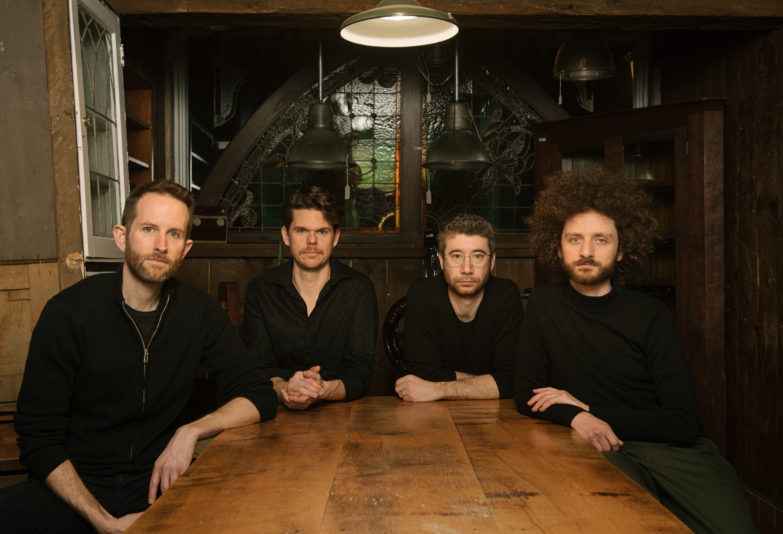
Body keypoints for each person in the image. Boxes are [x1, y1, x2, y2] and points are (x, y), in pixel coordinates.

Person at [0, 181, 278, 533]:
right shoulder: (68, 313)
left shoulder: (199, 312)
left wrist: (190, 432)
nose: (161, 245)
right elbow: (38, 438)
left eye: (174, 234)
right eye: (149, 229)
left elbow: (260, 394)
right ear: (122, 236)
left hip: (155, 484)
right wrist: (105, 523)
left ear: (186, 247)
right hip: (74, 486)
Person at [513, 167, 756, 534]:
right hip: (599, 445)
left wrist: (589, 409)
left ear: (623, 248)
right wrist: (577, 418)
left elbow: (683, 422)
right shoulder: (544, 304)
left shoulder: (650, 315)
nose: (587, 252)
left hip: (672, 450)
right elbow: (525, 393)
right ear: (557, 245)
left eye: (601, 240)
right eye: (574, 239)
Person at [243, 186, 378, 410]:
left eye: (322, 232)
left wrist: (321, 389)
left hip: (342, 415)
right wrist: (287, 389)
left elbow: (360, 373)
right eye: (302, 231)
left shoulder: (359, 289)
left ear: (335, 237)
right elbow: (257, 369)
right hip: (276, 413)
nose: (312, 241)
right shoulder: (261, 290)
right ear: (286, 235)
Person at [395, 213, 521, 402]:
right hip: (432, 418)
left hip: (496, 417)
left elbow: (513, 381)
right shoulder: (423, 294)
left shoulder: (506, 295)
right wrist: (491, 384)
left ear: (492, 261)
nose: (467, 269)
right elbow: (424, 376)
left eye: (477, 256)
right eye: (456, 256)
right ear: (442, 260)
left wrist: (439, 389)